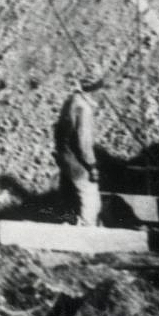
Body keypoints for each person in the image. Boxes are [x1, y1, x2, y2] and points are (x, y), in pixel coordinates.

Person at [54, 78, 104, 227]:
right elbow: (84, 142)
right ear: (94, 91)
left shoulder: (70, 101)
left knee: (71, 196)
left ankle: (70, 224)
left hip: (64, 156)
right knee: (91, 196)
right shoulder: (84, 109)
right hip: (76, 161)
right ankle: (88, 231)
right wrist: (92, 165)